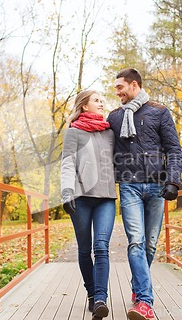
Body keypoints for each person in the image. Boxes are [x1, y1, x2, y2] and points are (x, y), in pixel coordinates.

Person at [107, 68, 182, 320]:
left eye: (120, 87)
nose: (116, 92)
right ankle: (145, 302)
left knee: (150, 244)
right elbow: (99, 141)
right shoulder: (115, 117)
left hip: (156, 186)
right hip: (128, 185)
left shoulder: (159, 111)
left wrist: (173, 180)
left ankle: (138, 285)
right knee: (136, 242)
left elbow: (173, 148)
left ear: (134, 85)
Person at [61, 90, 117, 320]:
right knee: (85, 250)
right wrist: (66, 192)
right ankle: (92, 294)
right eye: (96, 100)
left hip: (106, 198)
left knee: (101, 247)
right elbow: (67, 164)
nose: (101, 103)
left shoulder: (110, 132)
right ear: (84, 106)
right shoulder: (73, 133)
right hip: (81, 198)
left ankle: (101, 298)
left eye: (102, 100)